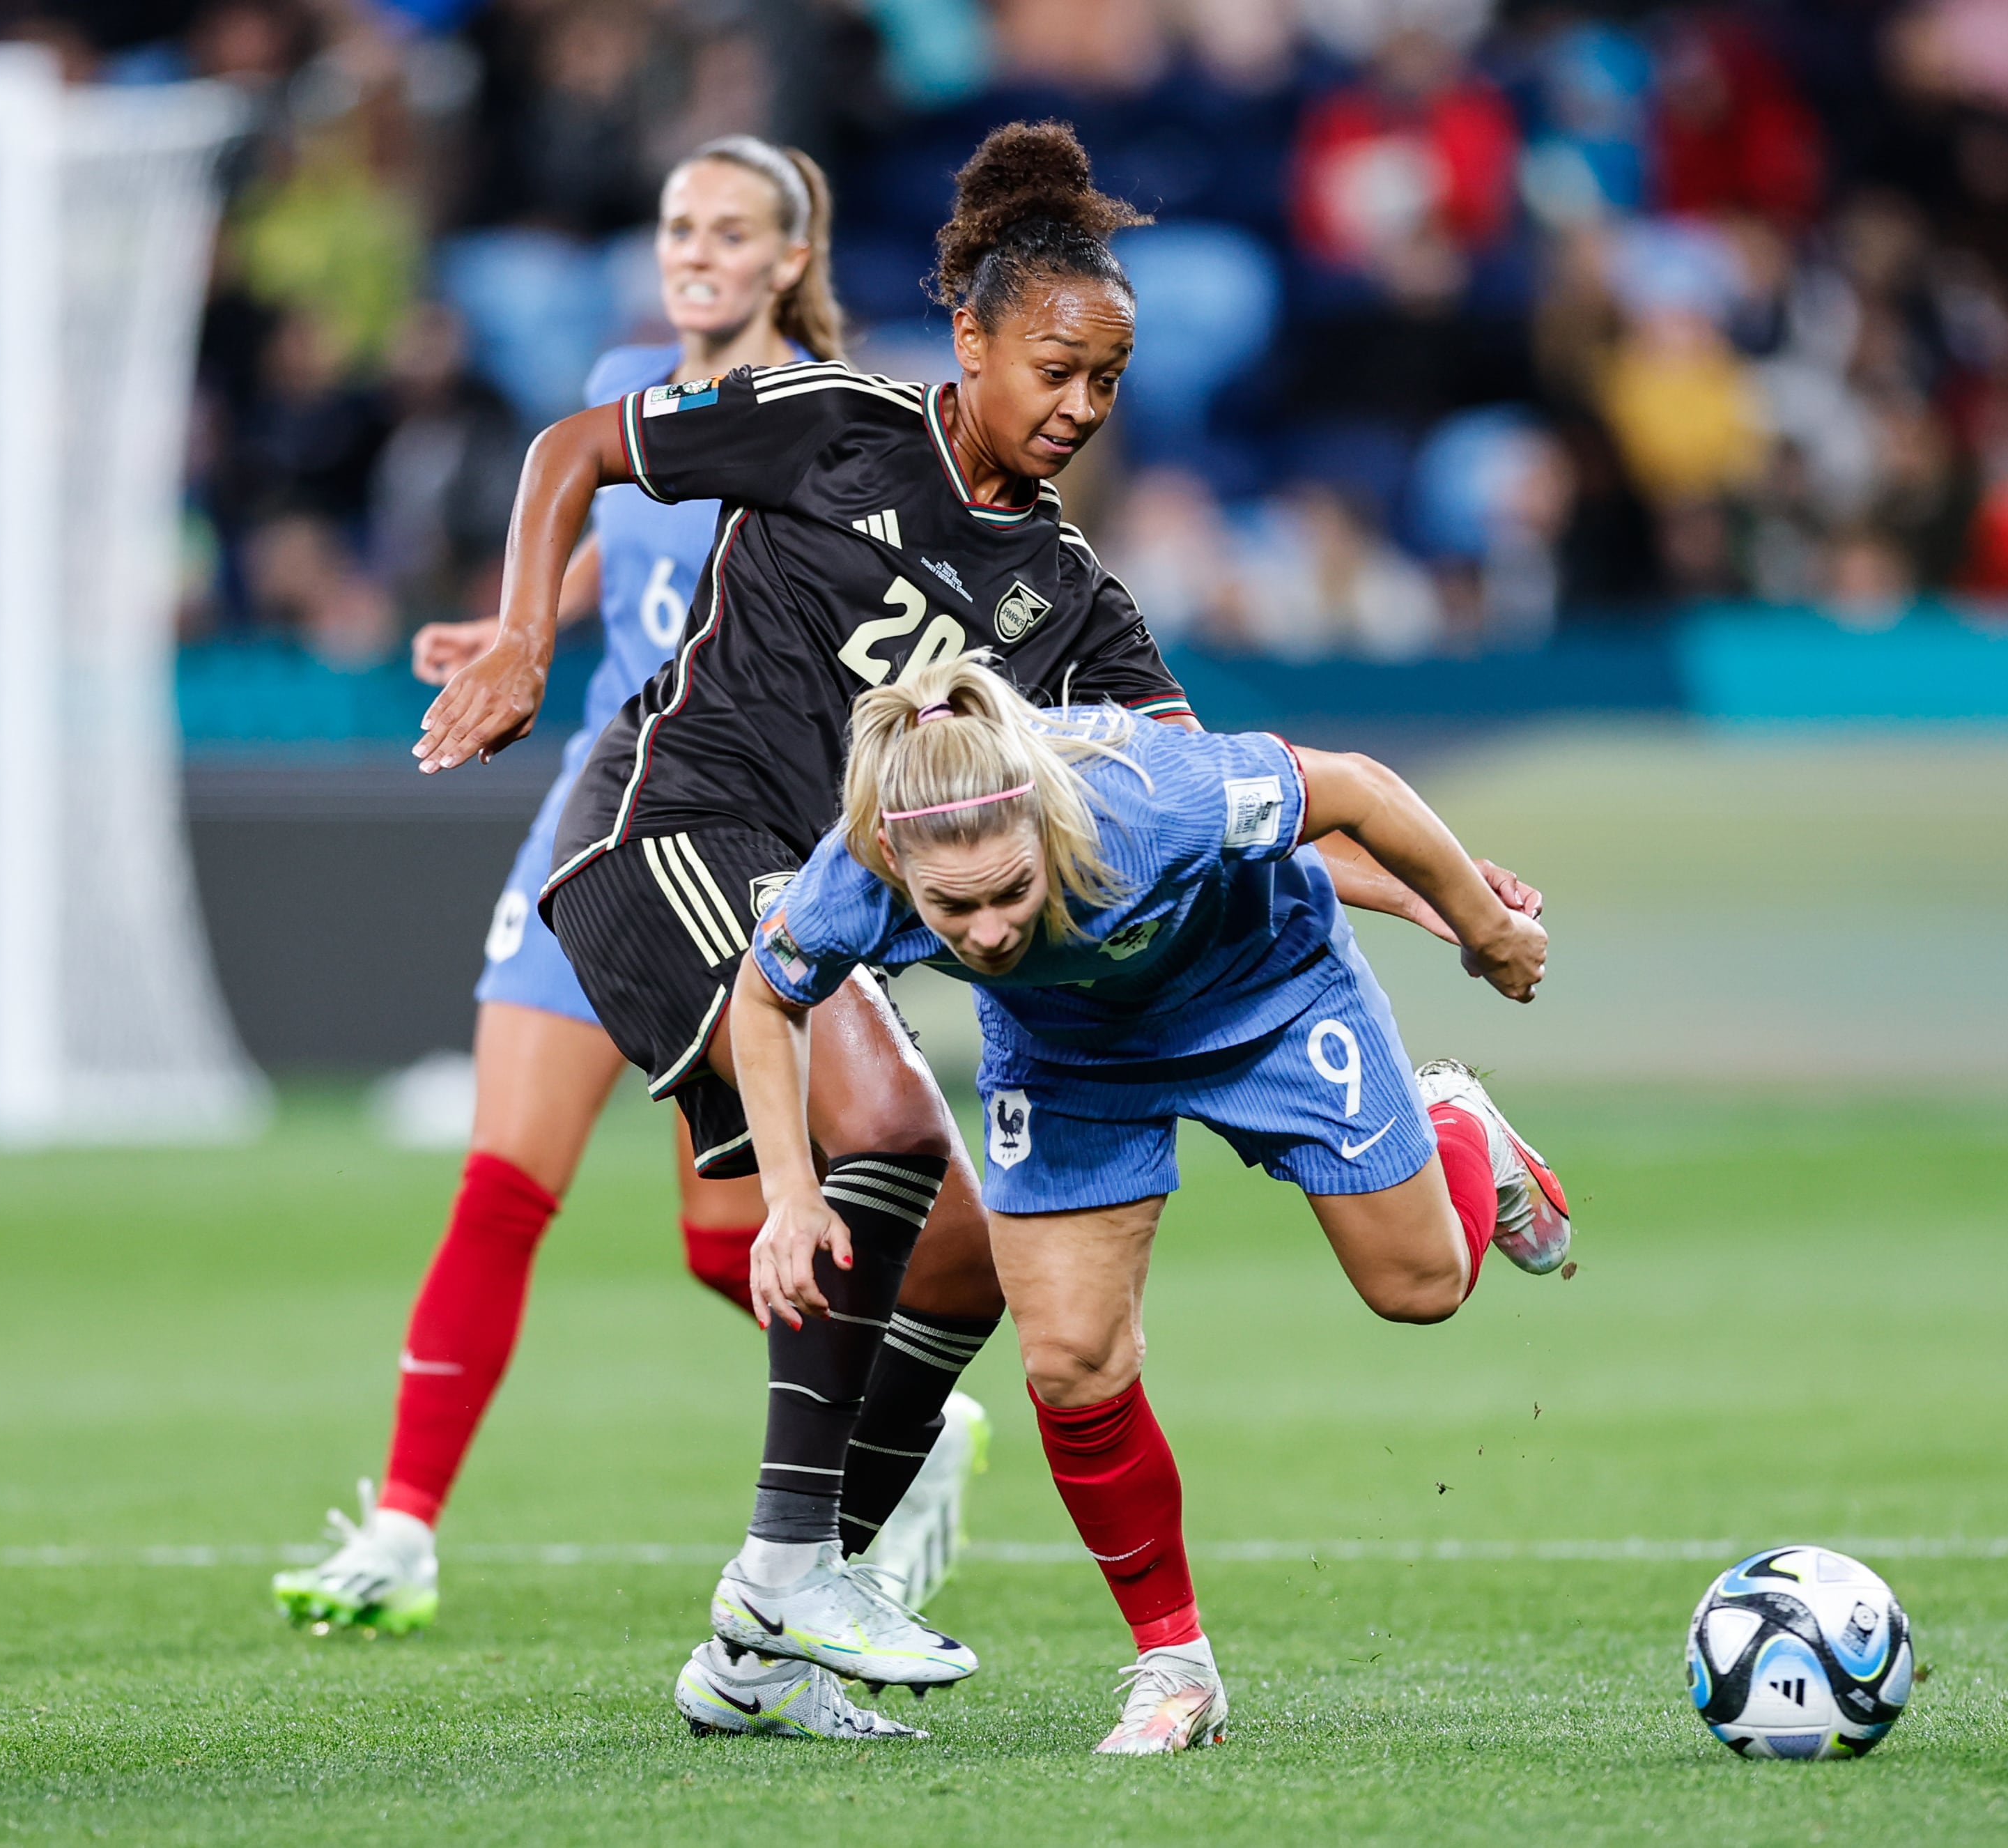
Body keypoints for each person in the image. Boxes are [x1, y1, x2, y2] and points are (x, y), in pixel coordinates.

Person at [414, 121, 1540, 1741]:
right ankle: (787, 1570)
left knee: (952, 1246)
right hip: (667, 831)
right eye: (1053, 368)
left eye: (1108, 380)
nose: (1079, 409)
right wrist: (526, 635)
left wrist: (1445, 898)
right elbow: (572, 449)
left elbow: (1197, 817)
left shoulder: (1072, 600)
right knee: (883, 1137)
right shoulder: (835, 424)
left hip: (815, 889)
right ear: (971, 341)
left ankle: (760, 1653)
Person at [273, 139, 989, 1714]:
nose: (695, 252)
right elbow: (631, 525)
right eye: (678, 225)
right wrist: (535, 616)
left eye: (731, 231)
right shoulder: (623, 384)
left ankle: (897, 1425)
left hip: (747, 844)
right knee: (499, 1183)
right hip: (597, 808)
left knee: (719, 1239)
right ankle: (398, 1529)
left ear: (789, 258)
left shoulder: (825, 419)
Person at [728, 656, 1570, 1755]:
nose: (984, 934)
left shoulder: (1147, 795)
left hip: (1269, 992)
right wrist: (790, 1196)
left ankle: (1456, 1121)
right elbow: (766, 991)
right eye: (953, 909)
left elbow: (1357, 788)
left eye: (1010, 894)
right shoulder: (859, 872)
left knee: (1419, 1288)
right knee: (1070, 1360)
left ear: (1046, 826)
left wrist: (1480, 928)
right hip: (1069, 1056)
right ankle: (1177, 1667)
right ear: (894, 860)